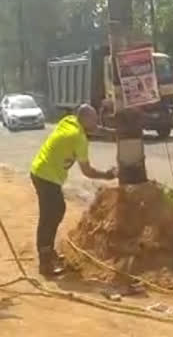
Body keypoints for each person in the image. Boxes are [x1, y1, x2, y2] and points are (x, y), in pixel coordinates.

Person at [30, 104, 117, 276]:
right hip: (46, 176)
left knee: (56, 211)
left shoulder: (69, 121)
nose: (97, 122)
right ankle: (45, 262)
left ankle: (47, 253)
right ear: (85, 120)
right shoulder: (78, 137)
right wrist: (108, 175)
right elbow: (87, 171)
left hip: (40, 171)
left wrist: (109, 132)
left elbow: (93, 127)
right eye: (94, 119)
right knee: (50, 216)